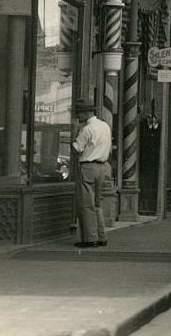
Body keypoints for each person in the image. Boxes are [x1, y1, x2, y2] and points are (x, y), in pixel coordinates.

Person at [71, 99, 112, 248]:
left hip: (88, 167)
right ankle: (101, 236)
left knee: (86, 204)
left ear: (86, 113)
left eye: (79, 113)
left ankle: (89, 238)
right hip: (102, 167)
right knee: (97, 203)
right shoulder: (105, 126)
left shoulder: (86, 129)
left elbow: (77, 148)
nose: (78, 117)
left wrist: (74, 132)